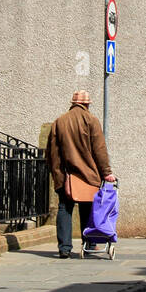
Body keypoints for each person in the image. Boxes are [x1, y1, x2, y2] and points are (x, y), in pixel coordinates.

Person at [45, 91, 115, 258]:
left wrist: (57, 174)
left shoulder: (59, 121)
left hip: (66, 174)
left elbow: (51, 152)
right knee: (88, 208)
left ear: (73, 103)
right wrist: (106, 173)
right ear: (87, 104)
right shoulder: (91, 120)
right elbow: (99, 150)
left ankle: (64, 248)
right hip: (88, 174)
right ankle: (88, 244)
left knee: (64, 208)